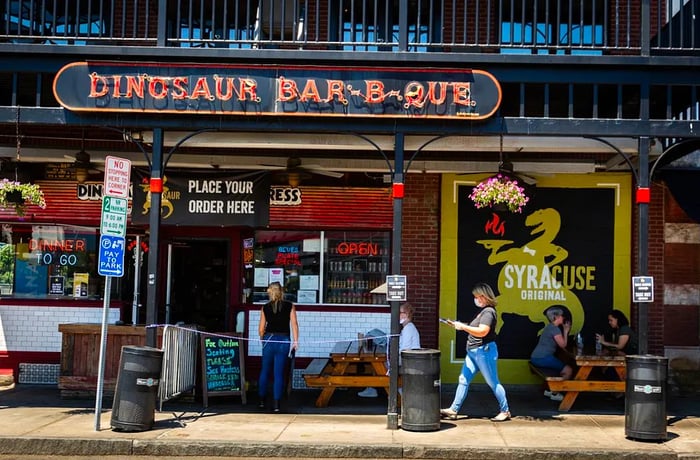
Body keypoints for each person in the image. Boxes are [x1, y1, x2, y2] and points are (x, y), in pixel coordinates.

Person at [440, 283, 511, 422]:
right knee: (463, 380)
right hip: (474, 352)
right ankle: (453, 409)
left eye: (477, 296)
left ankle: (505, 410)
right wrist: (460, 325)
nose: (475, 299)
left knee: (493, 382)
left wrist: (463, 327)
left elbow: (483, 331)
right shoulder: (483, 311)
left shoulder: (488, 312)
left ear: (484, 297)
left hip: (484, 351)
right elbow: (475, 327)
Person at [358, 302, 421, 398]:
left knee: (380, 364)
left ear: (406, 314)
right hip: (408, 359)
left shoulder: (408, 329)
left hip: (409, 360)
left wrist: (392, 354)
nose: (398, 315)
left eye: (400, 312)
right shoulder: (407, 328)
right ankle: (380, 388)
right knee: (379, 363)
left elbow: (405, 350)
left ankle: (394, 391)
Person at [258, 281, 299, 412]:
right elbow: (294, 324)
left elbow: (261, 329)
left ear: (270, 292)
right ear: (282, 291)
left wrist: (262, 340)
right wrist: (296, 341)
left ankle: (261, 400)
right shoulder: (290, 306)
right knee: (278, 373)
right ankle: (276, 404)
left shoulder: (265, 307)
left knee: (264, 371)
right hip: (284, 340)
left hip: (269, 339)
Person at [530, 307, 574, 401]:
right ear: (556, 317)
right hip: (542, 358)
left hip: (536, 357)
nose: (563, 318)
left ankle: (550, 390)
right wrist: (566, 331)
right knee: (568, 370)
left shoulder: (550, 327)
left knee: (558, 368)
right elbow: (563, 344)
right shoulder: (555, 329)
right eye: (562, 316)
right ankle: (555, 392)